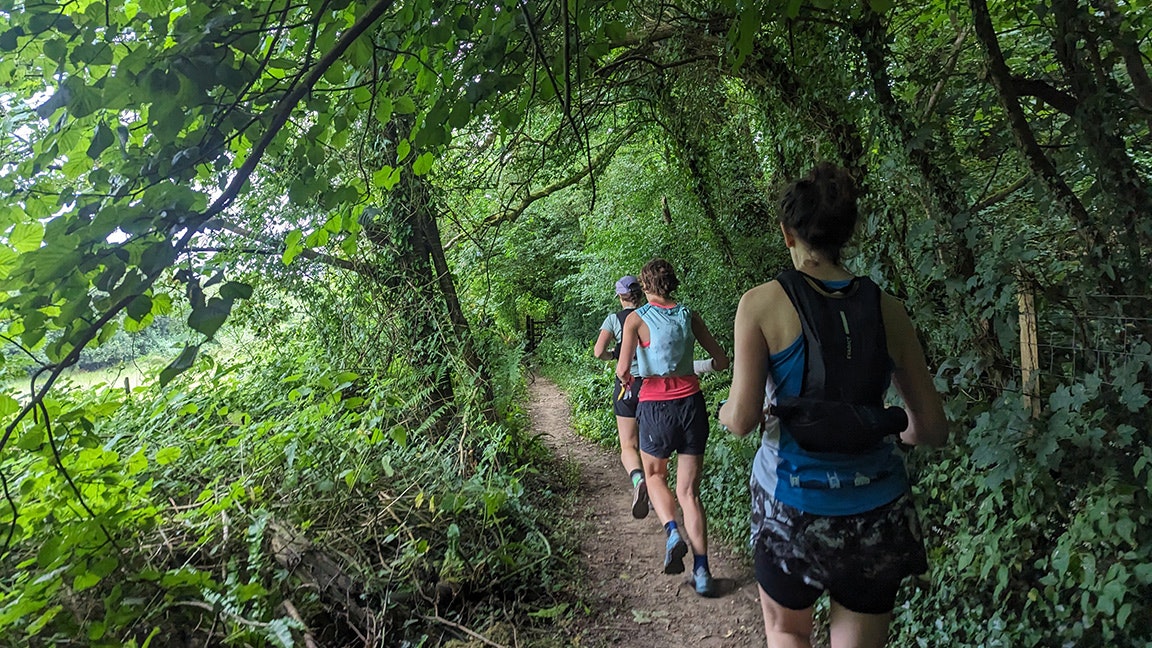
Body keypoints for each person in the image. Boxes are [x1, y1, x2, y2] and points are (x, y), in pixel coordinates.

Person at [719, 163, 948, 647]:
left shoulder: (760, 304)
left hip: (792, 510)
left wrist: (725, 410)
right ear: (848, 233)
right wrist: (879, 428)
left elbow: (740, 420)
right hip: (878, 515)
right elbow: (929, 428)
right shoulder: (890, 310)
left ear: (788, 234)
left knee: (787, 631)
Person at [616, 258, 729, 597]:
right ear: (673, 284)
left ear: (645, 287)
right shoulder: (689, 315)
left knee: (653, 476)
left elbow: (624, 369)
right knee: (690, 493)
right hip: (692, 406)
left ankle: (671, 530)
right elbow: (721, 361)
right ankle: (703, 571)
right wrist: (692, 366)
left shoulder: (637, 319)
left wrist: (630, 377)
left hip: (656, 409)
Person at [593, 275, 650, 518]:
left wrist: (614, 356)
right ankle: (655, 485)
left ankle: (638, 481)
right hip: (652, 385)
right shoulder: (651, 314)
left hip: (626, 385)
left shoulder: (613, 319)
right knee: (650, 442)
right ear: (640, 293)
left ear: (620, 296)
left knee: (628, 444)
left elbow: (598, 352)